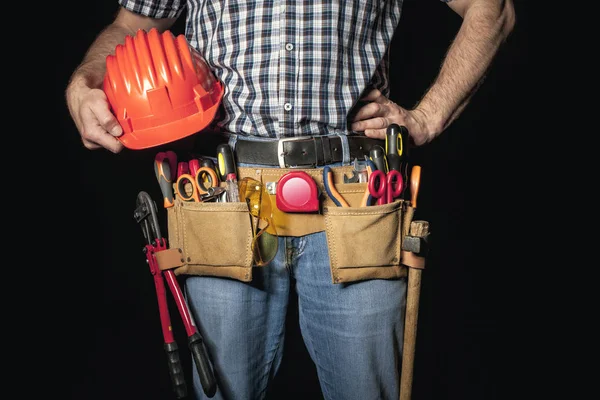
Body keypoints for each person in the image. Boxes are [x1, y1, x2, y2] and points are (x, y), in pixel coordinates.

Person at [65, 0, 515, 399]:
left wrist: (427, 117)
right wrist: (84, 81)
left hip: (354, 200)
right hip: (224, 196)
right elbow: (130, 27)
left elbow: (491, 8)